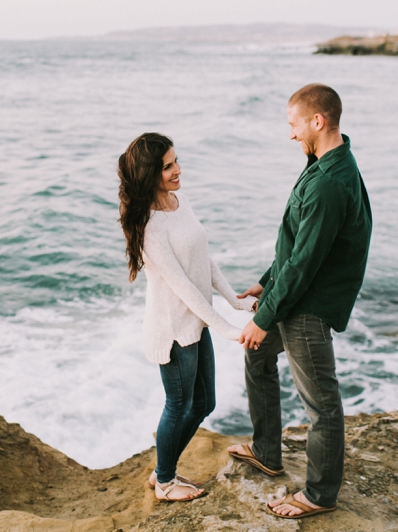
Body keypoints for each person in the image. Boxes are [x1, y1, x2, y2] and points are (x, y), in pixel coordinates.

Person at [228, 84, 372, 520]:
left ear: (317, 121)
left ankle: (319, 495)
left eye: (293, 124)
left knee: (322, 405)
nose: (290, 134)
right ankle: (267, 450)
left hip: (307, 307)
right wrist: (266, 282)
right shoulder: (327, 163)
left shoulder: (329, 182)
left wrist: (266, 314)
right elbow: (298, 245)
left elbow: (306, 263)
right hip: (296, 293)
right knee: (257, 358)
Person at [118, 132, 257, 503]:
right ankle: (164, 482)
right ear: (150, 173)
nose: (177, 170)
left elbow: (203, 260)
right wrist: (226, 326)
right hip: (174, 329)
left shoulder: (180, 201)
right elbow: (181, 285)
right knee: (178, 405)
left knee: (205, 403)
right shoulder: (150, 227)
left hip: (197, 321)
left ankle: (163, 470)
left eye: (177, 161)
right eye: (167, 167)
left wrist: (235, 301)